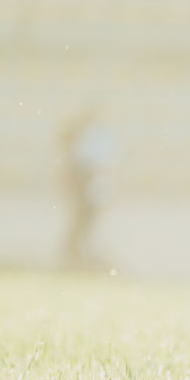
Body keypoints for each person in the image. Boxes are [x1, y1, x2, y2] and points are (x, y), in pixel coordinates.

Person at [60, 106, 115, 270]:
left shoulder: (88, 144)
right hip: (88, 192)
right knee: (81, 229)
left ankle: (77, 260)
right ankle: (76, 260)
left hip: (91, 192)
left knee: (82, 229)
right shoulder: (85, 146)